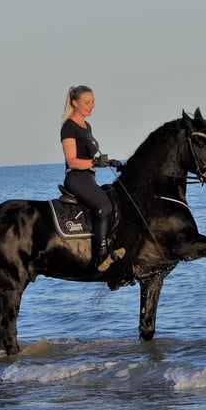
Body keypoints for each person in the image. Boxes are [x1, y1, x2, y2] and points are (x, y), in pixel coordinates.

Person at [60, 85, 125, 272]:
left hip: (88, 178)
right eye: (87, 102)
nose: (92, 106)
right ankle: (100, 255)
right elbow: (72, 161)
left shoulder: (86, 126)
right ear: (75, 103)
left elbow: (90, 158)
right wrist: (95, 163)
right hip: (76, 178)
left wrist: (109, 162)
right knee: (104, 205)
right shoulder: (69, 127)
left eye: (93, 102)